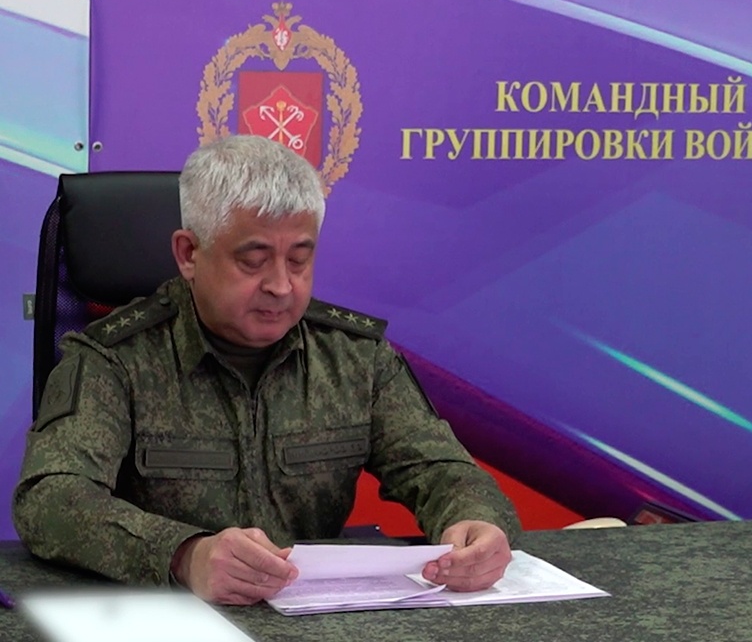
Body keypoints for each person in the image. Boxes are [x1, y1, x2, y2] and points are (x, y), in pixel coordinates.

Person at [13, 135, 520, 605]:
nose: (281, 286)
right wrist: (184, 555)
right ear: (189, 254)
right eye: (254, 261)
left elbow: (442, 471)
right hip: (171, 619)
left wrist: (476, 523)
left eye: (298, 260)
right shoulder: (114, 359)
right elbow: (51, 499)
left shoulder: (355, 357)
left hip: (319, 620)